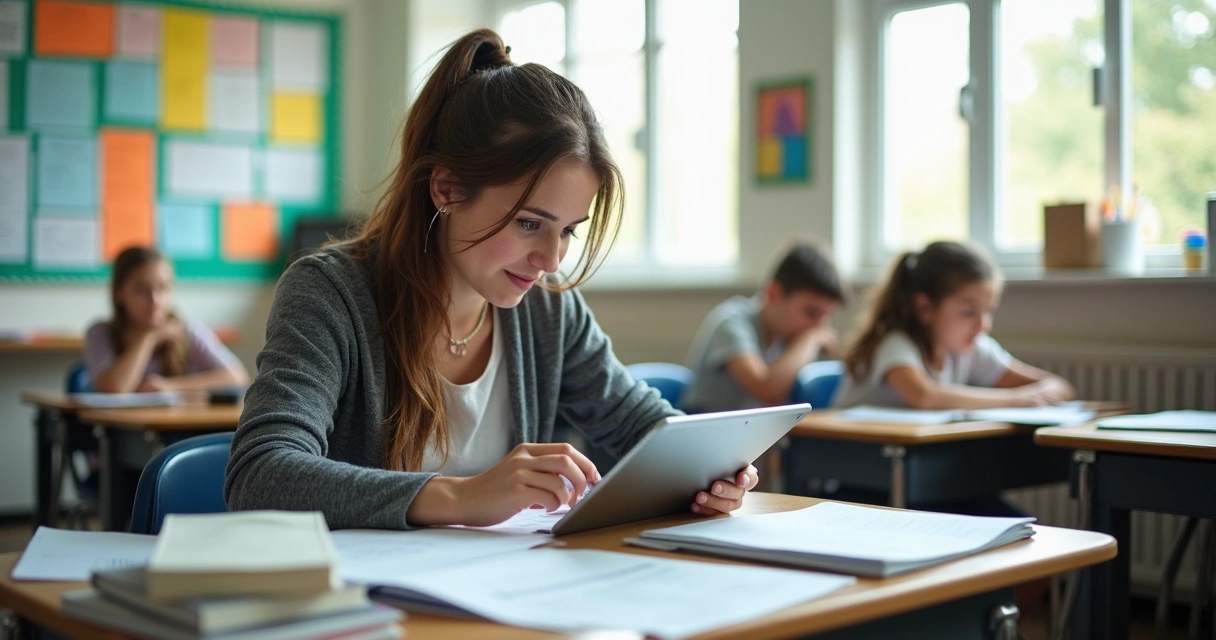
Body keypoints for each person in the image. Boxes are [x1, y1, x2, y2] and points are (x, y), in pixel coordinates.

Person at [224, 29, 758, 530]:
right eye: (530, 224)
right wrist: (462, 495)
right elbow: (261, 474)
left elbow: (642, 425)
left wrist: (714, 471)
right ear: (447, 190)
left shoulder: (548, 309)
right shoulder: (329, 292)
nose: (551, 260)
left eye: (568, 230)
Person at [834, 240, 1075, 410]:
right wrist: (1015, 400)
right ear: (925, 308)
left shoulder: (971, 347)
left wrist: (1038, 394)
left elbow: (1059, 386)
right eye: (969, 312)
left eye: (987, 312)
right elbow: (923, 396)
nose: (983, 325)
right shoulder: (895, 344)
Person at [682, 241, 844, 414]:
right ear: (774, 293)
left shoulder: (788, 337)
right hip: (707, 433)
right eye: (811, 312)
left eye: (826, 316)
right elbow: (768, 390)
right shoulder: (732, 322)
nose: (819, 327)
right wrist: (810, 341)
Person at [85, 246, 248, 394]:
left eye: (163, 288)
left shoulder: (186, 330)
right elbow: (116, 388)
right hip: (124, 427)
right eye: (142, 290)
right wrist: (149, 338)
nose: (155, 300)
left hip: (180, 425)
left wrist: (172, 386)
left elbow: (237, 378)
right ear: (118, 292)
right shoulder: (101, 332)